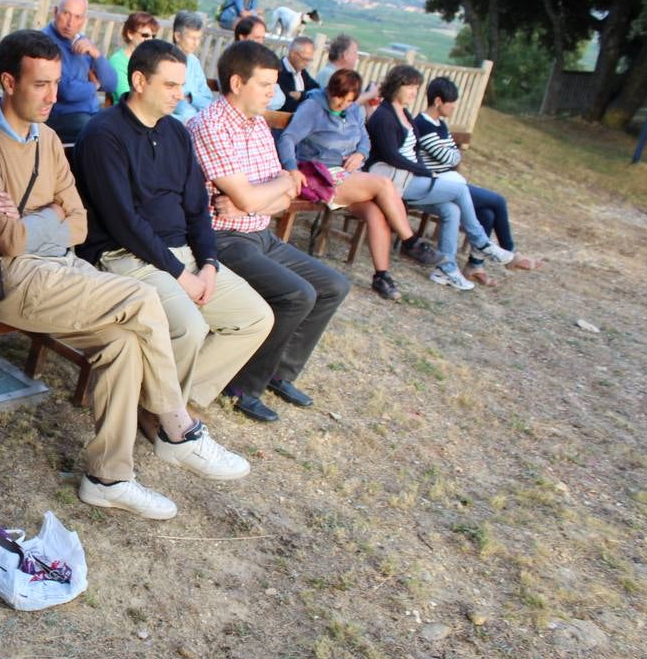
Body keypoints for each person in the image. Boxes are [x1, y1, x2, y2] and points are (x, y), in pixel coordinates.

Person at [0, 29, 234, 521]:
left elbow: (77, 225)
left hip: (59, 265)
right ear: (8, 81)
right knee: (143, 299)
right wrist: (47, 219)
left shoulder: (51, 138)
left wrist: (32, 221)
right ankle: (177, 427)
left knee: (123, 341)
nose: (53, 96)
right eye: (40, 85)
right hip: (5, 277)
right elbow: (7, 242)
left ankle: (108, 477)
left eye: (57, 82)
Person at [75, 38, 273, 435]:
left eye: (181, 85)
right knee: (189, 327)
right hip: (124, 255)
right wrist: (181, 275)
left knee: (255, 318)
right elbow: (124, 222)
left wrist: (210, 264)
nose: (179, 95)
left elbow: (198, 209)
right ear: (139, 81)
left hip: (183, 254)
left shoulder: (177, 134)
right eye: (169, 85)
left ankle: (170, 401)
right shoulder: (104, 134)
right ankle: (161, 414)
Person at [186, 41, 351, 423]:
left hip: (259, 231)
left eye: (274, 84)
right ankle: (242, 385)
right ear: (237, 82)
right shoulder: (211, 126)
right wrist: (268, 190)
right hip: (222, 239)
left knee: (333, 286)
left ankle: (280, 370)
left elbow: (283, 195)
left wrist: (271, 189)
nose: (272, 93)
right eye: (264, 85)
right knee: (297, 294)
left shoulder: (258, 123)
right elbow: (251, 195)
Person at [277, 68, 448, 301]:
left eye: (349, 100)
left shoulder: (354, 110)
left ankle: (382, 275)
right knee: (384, 184)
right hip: (321, 175)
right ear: (330, 90)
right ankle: (410, 241)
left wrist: (360, 153)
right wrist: (292, 168)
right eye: (339, 98)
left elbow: (365, 140)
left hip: (349, 175)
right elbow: (288, 138)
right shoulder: (312, 107)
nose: (343, 104)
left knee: (376, 212)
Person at [365, 65, 515, 291]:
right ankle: (481, 242)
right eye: (411, 87)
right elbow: (390, 155)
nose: (415, 92)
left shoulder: (404, 114)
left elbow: (415, 151)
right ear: (396, 86)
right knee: (459, 190)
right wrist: (424, 170)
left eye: (417, 87)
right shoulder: (384, 115)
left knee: (451, 210)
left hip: (410, 178)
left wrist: (421, 169)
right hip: (392, 182)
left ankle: (446, 268)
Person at [413, 77, 541, 285]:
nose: (454, 107)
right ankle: (509, 253)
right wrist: (450, 155)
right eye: (451, 102)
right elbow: (448, 157)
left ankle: (474, 264)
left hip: (450, 180)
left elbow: (453, 155)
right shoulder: (422, 124)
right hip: (437, 184)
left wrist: (451, 155)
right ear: (438, 101)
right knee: (497, 201)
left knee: (487, 212)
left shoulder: (441, 125)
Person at [43, 0, 118, 143]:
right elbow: (67, 92)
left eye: (77, 17)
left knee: (122, 128)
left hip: (90, 112)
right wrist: (95, 85)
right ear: (56, 12)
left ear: (83, 20)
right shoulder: (44, 42)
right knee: (98, 135)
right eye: (66, 14)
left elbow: (111, 84)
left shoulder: (82, 43)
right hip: (60, 116)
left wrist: (96, 55)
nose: (70, 23)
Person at [169, 10, 214, 124]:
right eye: (192, 38)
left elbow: (208, 100)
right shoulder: (164, 61)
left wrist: (191, 97)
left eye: (199, 38)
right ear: (178, 36)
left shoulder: (194, 62)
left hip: (195, 121)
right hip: (173, 123)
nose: (196, 43)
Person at [107, 11, 158, 102]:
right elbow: (125, 96)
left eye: (153, 36)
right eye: (145, 35)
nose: (150, 39)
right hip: (125, 112)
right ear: (130, 34)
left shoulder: (151, 60)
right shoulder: (118, 61)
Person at [275, 36, 319, 113]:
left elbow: (318, 91)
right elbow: (288, 104)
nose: (307, 64)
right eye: (305, 59)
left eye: (309, 60)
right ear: (293, 54)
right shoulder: (278, 71)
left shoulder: (302, 72)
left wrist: (301, 96)